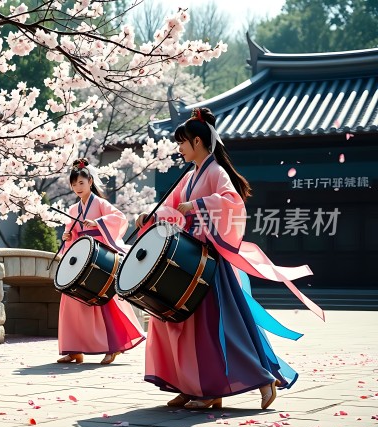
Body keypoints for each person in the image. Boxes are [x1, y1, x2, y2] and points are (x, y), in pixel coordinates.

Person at [135, 107, 324, 409]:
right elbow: (171, 209)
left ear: (198, 142)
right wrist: (150, 217)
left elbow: (232, 204)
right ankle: (189, 383)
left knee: (215, 326)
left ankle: (245, 381)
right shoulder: (189, 177)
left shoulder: (215, 172)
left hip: (208, 259)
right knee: (175, 321)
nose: (180, 148)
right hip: (190, 255)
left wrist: (195, 205)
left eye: (183, 142)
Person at [57, 158, 146, 365]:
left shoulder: (101, 204)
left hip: (99, 255)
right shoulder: (73, 210)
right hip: (82, 257)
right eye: (74, 184)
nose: (78, 187)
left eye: (81, 182)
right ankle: (74, 349)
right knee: (71, 298)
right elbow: (72, 233)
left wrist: (97, 223)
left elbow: (120, 219)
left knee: (105, 298)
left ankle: (114, 346)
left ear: (90, 182)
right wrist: (68, 237)